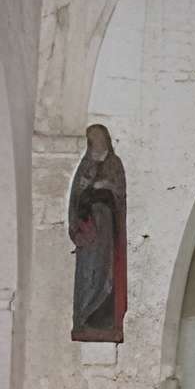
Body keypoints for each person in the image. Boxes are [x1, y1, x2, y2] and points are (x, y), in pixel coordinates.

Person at [69, 123, 127, 344]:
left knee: (106, 269)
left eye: (100, 138)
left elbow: (120, 192)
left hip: (107, 229)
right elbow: (76, 197)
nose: (98, 142)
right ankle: (84, 316)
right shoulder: (85, 166)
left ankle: (104, 318)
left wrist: (107, 186)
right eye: (93, 139)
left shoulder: (114, 164)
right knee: (88, 270)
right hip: (89, 228)